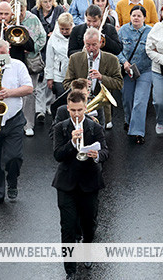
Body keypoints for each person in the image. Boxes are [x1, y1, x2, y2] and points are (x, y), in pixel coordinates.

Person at [53, 91, 108, 278]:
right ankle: (70, 270)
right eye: (73, 110)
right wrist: (71, 142)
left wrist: (97, 156)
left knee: (89, 224)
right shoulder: (61, 128)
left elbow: (106, 152)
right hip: (66, 184)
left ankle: (87, 248)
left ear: (86, 108)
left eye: (80, 110)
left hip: (89, 183)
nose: (76, 114)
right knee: (67, 228)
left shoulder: (94, 128)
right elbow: (57, 155)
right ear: (67, 109)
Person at [63, 27, 123, 130]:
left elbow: (119, 83)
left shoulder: (112, 59)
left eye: (94, 45)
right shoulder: (74, 58)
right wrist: (81, 85)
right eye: (88, 45)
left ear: (100, 43)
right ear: (84, 42)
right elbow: (66, 84)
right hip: (80, 107)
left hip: (101, 109)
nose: (91, 48)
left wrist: (101, 78)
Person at [118, 6, 153, 144]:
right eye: (134, 15)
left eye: (139, 16)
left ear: (144, 18)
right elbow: (117, 50)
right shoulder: (123, 31)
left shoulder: (150, 32)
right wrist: (124, 62)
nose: (136, 18)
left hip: (145, 70)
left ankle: (138, 132)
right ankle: (129, 120)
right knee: (127, 99)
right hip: (128, 71)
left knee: (140, 101)